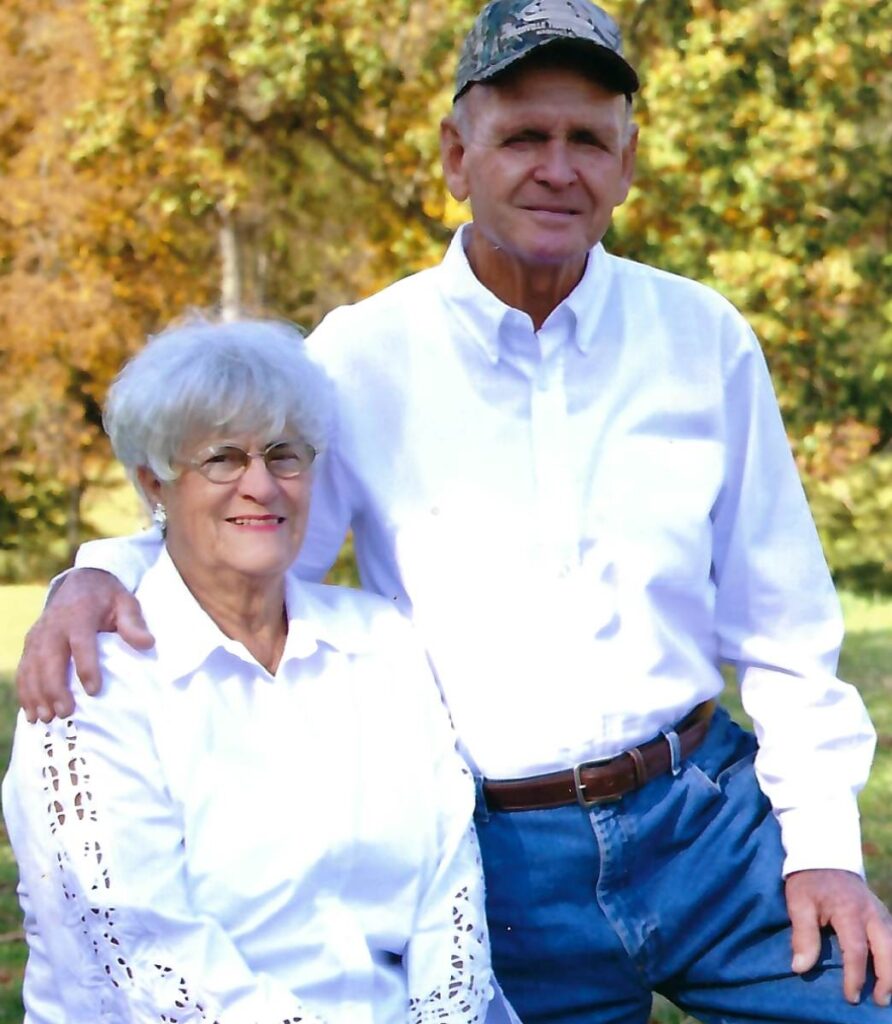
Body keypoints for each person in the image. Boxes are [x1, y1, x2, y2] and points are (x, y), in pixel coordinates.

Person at [14, 1, 892, 1021]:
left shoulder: (702, 338)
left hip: (707, 819)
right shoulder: (359, 358)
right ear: (454, 156)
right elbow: (249, 534)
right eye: (522, 137)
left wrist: (823, 849)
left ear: (626, 164)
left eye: (587, 140)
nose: (556, 169)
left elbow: (783, 621)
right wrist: (96, 576)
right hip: (499, 866)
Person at [3, 318, 513, 1023]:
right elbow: (144, 952)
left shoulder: (381, 643)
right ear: (155, 484)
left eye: (284, 456)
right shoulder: (96, 681)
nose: (261, 485)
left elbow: (449, 888)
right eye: (222, 459)